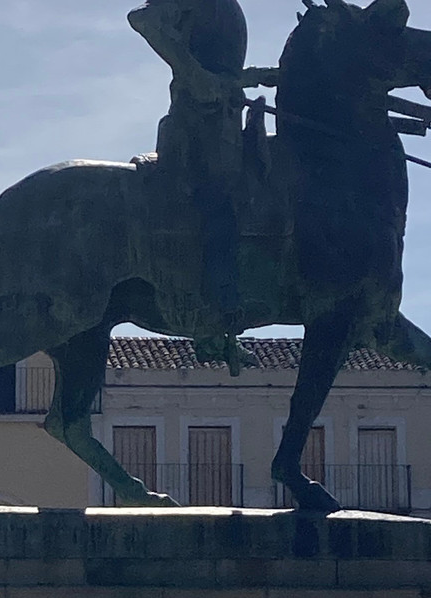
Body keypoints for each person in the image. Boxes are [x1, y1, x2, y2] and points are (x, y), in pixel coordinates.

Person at [128, 0, 250, 362]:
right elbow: (144, 20)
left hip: (225, 121)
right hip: (199, 129)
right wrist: (197, 76)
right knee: (222, 209)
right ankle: (213, 318)